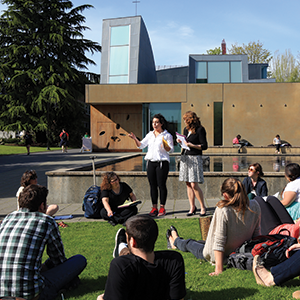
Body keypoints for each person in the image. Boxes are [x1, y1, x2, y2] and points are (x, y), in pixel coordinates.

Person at [0, 185, 87, 300]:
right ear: (42, 206)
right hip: (31, 294)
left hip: (2, 292)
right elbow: (58, 260)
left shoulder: (8, 218)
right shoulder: (46, 221)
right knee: (79, 260)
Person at [166, 177, 261, 276]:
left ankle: (175, 241)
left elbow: (219, 241)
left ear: (225, 195)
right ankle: (175, 241)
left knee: (190, 244)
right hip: (240, 251)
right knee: (199, 243)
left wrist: (218, 269)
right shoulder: (255, 206)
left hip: (222, 254)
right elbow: (257, 236)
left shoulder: (224, 210)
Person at [97, 215, 186, 300]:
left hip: (129, 262)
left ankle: (121, 246)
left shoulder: (120, 266)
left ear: (132, 241)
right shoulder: (174, 260)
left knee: (126, 257)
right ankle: (121, 247)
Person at [128, 114, 174, 217]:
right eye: (153, 122)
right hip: (151, 163)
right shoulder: (150, 134)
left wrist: (166, 147)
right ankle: (154, 208)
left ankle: (162, 208)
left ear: (161, 123)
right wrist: (134, 138)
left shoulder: (167, 135)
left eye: (157, 122)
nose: (155, 124)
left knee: (161, 185)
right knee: (152, 186)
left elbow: (171, 150)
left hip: (162, 162)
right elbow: (141, 145)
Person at [177, 111, 208, 216]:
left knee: (194, 184)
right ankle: (192, 207)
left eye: (186, 119)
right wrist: (181, 142)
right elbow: (185, 143)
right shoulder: (185, 130)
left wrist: (191, 145)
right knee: (188, 184)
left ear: (191, 119)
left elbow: (204, 146)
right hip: (185, 157)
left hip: (195, 158)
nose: (185, 122)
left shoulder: (200, 129)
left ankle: (203, 207)